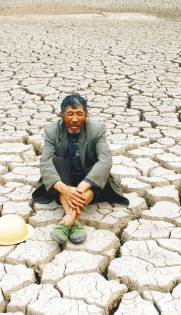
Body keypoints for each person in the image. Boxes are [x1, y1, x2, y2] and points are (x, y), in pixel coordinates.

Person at [32, 94, 129, 245]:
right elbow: (45, 162)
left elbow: (105, 160)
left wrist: (81, 188)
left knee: (98, 172)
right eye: (70, 114)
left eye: (79, 114)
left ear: (86, 115)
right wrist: (64, 188)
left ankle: (68, 220)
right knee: (56, 162)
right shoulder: (52, 131)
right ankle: (75, 220)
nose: (75, 119)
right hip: (65, 177)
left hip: (88, 180)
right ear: (61, 116)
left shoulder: (97, 129)